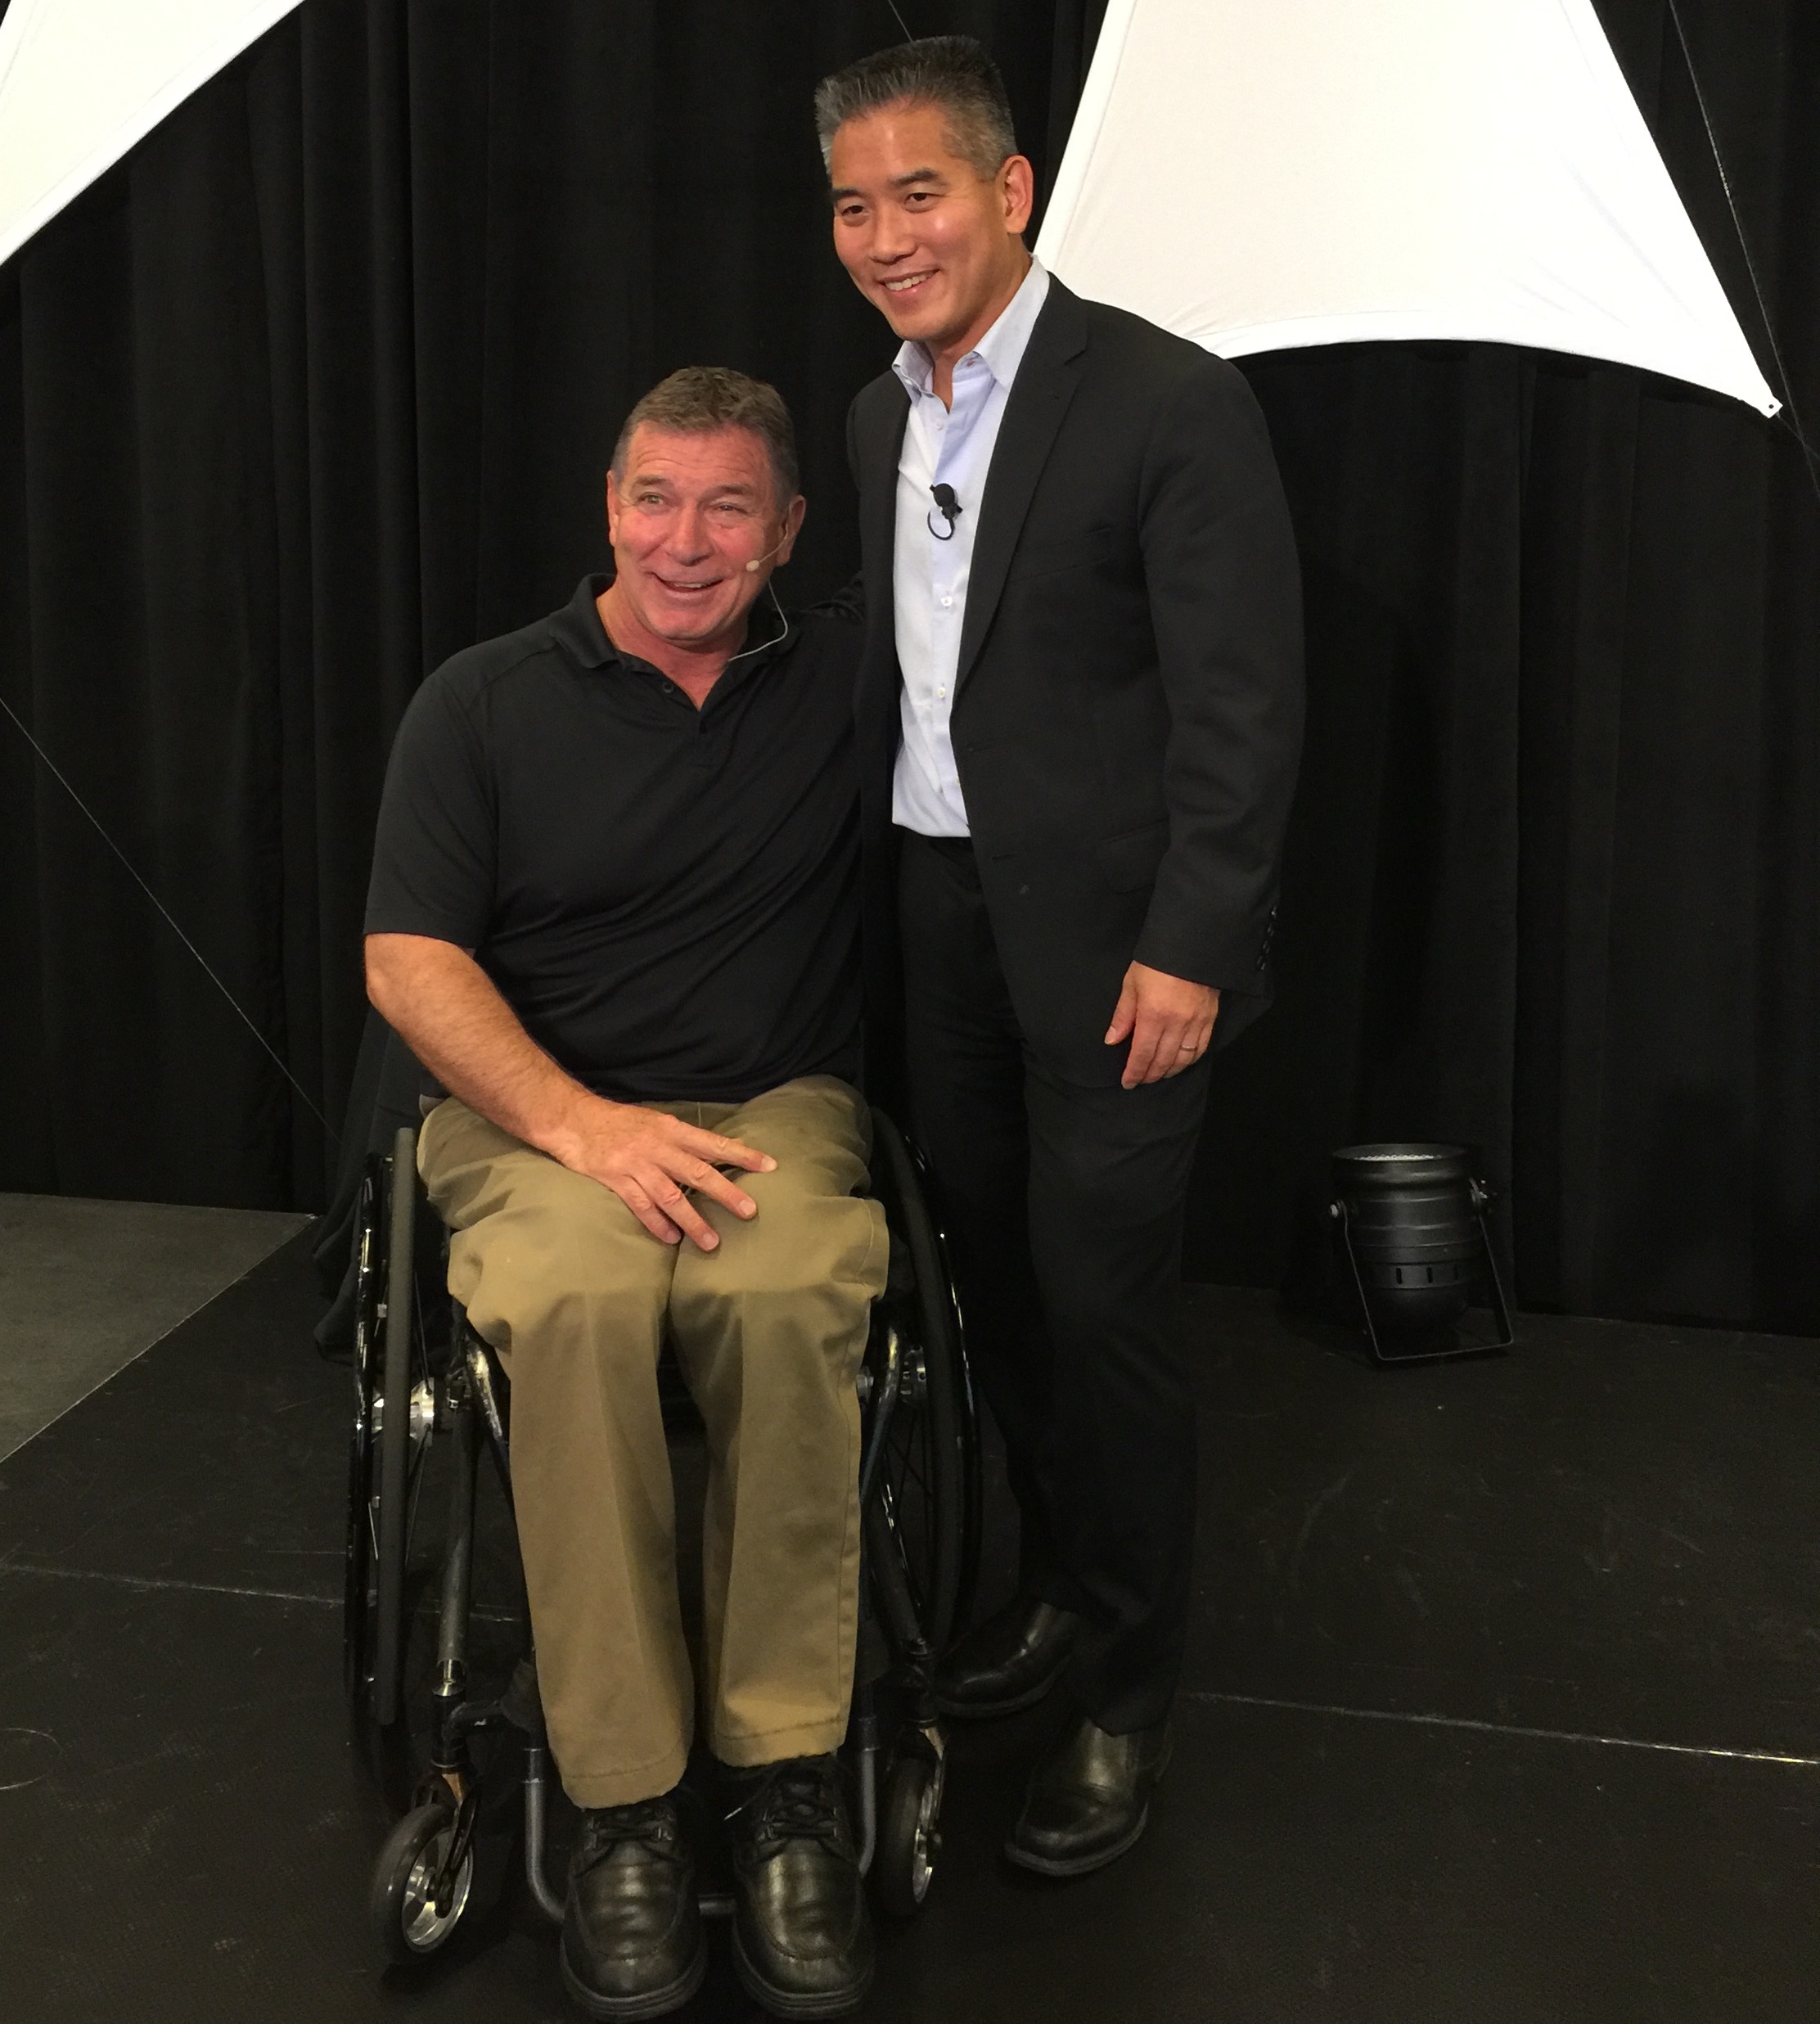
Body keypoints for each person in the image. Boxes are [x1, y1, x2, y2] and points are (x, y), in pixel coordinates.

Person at [815, 38, 1304, 1877]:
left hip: (1117, 959)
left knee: (1105, 1314)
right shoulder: (877, 415)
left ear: (1010, 193)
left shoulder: (1170, 403)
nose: (883, 235)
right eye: (854, 205)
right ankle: (1048, 1585)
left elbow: (1243, 707)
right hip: (937, 927)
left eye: (917, 193)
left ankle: (1130, 1685)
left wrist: (1195, 944)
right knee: (991, 1292)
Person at [363, 367, 881, 2021]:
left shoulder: (850, 685)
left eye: (733, 506)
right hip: (535, 1109)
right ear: (607, 504)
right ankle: (627, 1802)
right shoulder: (484, 702)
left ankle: (788, 1771)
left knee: (782, 1291)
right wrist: (582, 1126)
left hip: (770, 1103)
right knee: (581, 1302)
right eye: (657, 497)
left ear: (791, 530)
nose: (687, 539)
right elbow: (408, 960)